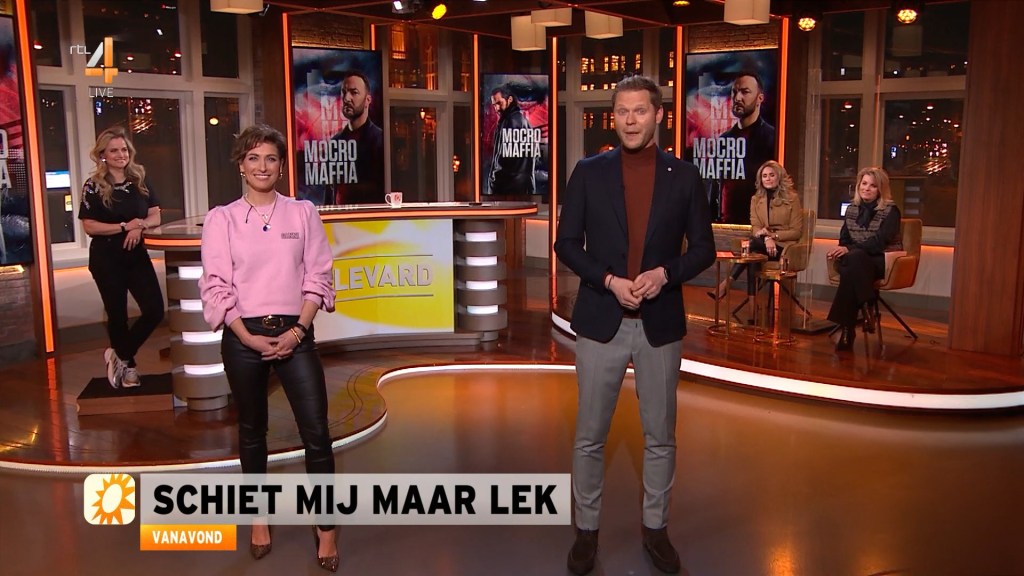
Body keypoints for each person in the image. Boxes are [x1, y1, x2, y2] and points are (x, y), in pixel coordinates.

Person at [554, 75, 715, 575]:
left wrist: (666, 274)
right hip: (601, 320)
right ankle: (585, 533)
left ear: (658, 115)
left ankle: (655, 529)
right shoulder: (588, 172)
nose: (629, 120)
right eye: (621, 111)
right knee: (589, 436)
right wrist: (608, 280)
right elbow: (566, 243)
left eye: (639, 111)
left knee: (660, 436)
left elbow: (704, 250)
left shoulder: (684, 177)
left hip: (659, 325)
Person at [199, 124, 339, 572]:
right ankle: (258, 516)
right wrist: (246, 336)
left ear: (281, 166)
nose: (263, 166)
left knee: (316, 433)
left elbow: (318, 276)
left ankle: (326, 527)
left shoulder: (302, 213)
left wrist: (298, 332)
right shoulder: (221, 219)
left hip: (296, 333)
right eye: (254, 158)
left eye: (271, 158)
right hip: (244, 338)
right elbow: (216, 285)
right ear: (241, 165)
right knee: (252, 430)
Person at [79, 126, 164, 389]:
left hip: (136, 256)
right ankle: (129, 370)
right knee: (118, 316)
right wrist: (125, 226)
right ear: (102, 155)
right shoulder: (93, 186)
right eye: (114, 150)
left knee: (154, 310)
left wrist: (140, 225)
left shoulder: (140, 179)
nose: (121, 155)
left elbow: (155, 215)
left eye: (124, 149)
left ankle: (120, 354)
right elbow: (89, 226)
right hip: (106, 258)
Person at [826, 166, 902, 352]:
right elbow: (844, 240)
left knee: (852, 263)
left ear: (880, 189)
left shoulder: (891, 211)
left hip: (879, 260)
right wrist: (847, 249)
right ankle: (867, 305)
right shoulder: (851, 209)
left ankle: (847, 330)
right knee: (854, 260)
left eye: (873, 185)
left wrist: (850, 249)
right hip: (856, 262)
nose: (866, 188)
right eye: (864, 183)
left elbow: (879, 243)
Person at [709, 160, 803, 300]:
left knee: (751, 246)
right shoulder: (756, 199)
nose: (768, 179)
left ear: (779, 176)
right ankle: (752, 305)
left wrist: (773, 236)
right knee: (753, 256)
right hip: (762, 244)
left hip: (784, 248)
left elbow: (796, 231)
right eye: (764, 176)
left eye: (771, 175)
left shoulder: (792, 199)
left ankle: (725, 285)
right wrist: (767, 238)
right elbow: (756, 227)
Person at [717, 72, 776, 224]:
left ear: (760, 98)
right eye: (734, 92)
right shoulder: (724, 139)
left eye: (745, 92)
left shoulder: (771, 138)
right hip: (723, 223)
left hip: (756, 224)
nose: (737, 98)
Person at [331, 71, 384, 205]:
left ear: (368, 100)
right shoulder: (335, 142)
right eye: (344, 92)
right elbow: (330, 190)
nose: (346, 98)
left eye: (354, 92)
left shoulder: (379, 140)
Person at [487, 84, 536, 195]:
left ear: (509, 99)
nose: (496, 108)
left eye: (499, 103)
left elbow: (503, 162)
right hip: (521, 189)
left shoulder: (511, 122)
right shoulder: (520, 120)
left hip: (508, 191)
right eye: (494, 105)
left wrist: (493, 184)